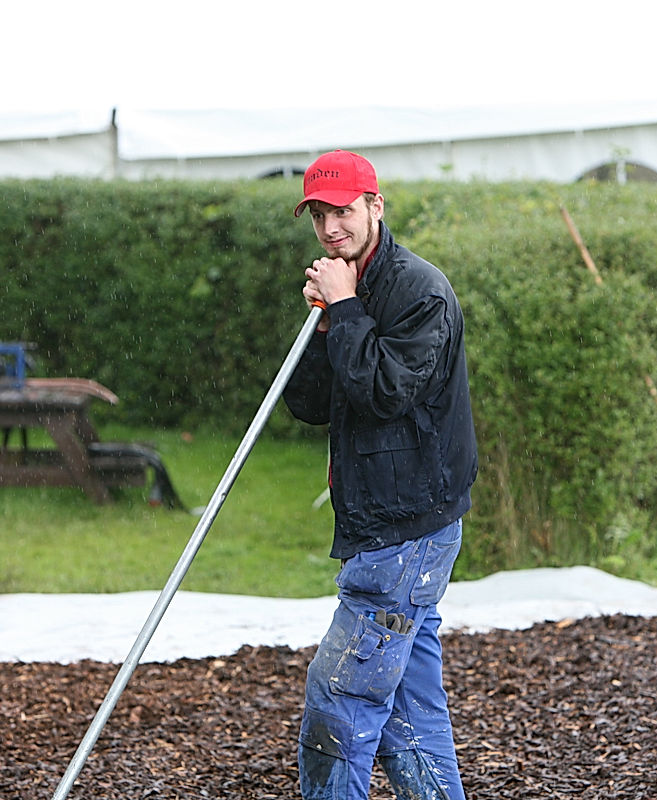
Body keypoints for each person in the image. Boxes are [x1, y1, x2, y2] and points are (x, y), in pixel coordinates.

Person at [282, 150, 478, 800]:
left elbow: (385, 391)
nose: (332, 226)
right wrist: (324, 322)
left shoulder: (419, 292)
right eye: (319, 213)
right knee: (406, 717)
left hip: (406, 531)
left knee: (339, 702)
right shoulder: (345, 287)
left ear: (375, 206)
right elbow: (308, 404)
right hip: (385, 523)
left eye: (343, 209)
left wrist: (346, 311)